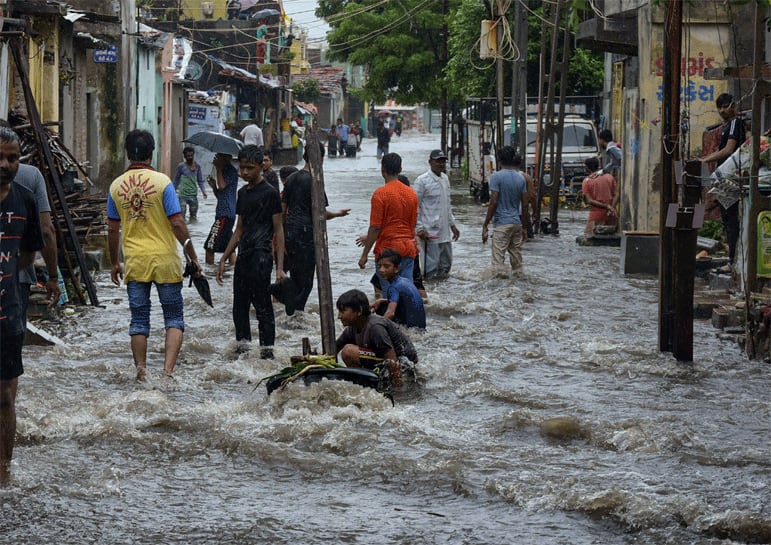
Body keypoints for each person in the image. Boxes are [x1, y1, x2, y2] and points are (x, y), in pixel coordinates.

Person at [107, 129, 202, 382]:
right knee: (174, 318)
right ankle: (167, 374)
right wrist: (193, 256)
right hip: (166, 261)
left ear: (128, 154)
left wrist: (114, 262)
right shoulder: (163, 183)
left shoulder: (116, 186)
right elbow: (178, 224)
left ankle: (141, 372)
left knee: (138, 321)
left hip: (135, 262)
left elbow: (112, 229)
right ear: (152, 153)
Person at [0, 127, 44, 484]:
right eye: (0, 157)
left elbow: (28, 254)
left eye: (12, 158)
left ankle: (3, 471)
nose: (5, 164)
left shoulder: (26, 200)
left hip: (8, 315)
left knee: (4, 395)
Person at [215, 145, 285, 359]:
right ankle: (243, 351)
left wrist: (280, 268)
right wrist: (224, 258)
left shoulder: (271, 194)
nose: (244, 172)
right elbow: (239, 229)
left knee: (263, 307)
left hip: (262, 256)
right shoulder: (242, 193)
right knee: (239, 307)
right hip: (244, 256)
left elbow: (279, 230)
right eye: (242, 168)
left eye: (250, 168)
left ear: (261, 167)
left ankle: (267, 354)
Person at [280, 143, 350, 315]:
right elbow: (320, 214)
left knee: (296, 276)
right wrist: (337, 214)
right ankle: (296, 313)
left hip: (289, 232)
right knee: (307, 282)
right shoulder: (315, 181)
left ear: (304, 156)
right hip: (306, 234)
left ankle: (291, 309)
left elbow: (282, 211)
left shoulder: (291, 179)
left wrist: (283, 234)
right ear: (321, 159)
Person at [358, 152, 418, 295]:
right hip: (408, 249)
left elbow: (375, 227)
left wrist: (364, 254)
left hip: (387, 252)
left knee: (390, 295)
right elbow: (412, 226)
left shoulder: (380, 194)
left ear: (382, 169)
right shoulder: (412, 194)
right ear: (400, 169)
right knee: (407, 294)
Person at [701, 93, 746, 273]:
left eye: (725, 106)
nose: (721, 111)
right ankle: (731, 259)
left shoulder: (736, 123)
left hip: (732, 179)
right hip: (725, 179)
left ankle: (733, 262)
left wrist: (705, 160)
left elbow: (728, 150)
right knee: (727, 220)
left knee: (732, 220)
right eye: (719, 107)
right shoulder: (726, 126)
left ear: (733, 106)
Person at [335, 289, 418, 370]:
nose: (339, 316)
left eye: (342, 311)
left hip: (402, 363)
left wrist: (398, 383)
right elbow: (334, 349)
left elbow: (392, 361)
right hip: (382, 358)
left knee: (349, 351)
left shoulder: (375, 327)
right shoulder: (351, 329)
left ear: (359, 311)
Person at [481, 146, 531, 275]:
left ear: (499, 159)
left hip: (502, 224)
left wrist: (486, 224)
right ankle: (519, 285)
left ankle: (499, 291)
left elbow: (494, 202)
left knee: (498, 263)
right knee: (517, 263)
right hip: (516, 223)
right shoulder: (521, 178)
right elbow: (525, 205)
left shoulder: (496, 177)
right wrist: (524, 227)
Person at [413, 149, 460, 279]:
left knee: (446, 266)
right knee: (431, 268)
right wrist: (419, 228)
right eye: (438, 161)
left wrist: (453, 225)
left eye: (443, 161)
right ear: (430, 162)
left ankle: (443, 291)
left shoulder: (445, 179)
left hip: (445, 231)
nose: (441, 164)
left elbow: (447, 204)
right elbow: (415, 206)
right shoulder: (422, 181)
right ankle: (432, 292)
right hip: (429, 232)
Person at [371, 249, 426, 329]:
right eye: (379, 266)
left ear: (397, 269)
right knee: (382, 304)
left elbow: (390, 314)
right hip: (420, 328)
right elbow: (405, 300)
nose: (381, 270)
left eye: (386, 266)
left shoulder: (394, 287)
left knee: (380, 311)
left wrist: (375, 328)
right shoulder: (405, 281)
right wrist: (381, 300)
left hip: (410, 330)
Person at [204, 152, 238, 265]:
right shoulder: (226, 171)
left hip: (225, 214)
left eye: (218, 157)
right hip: (226, 213)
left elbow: (222, 186)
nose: (215, 159)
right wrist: (214, 186)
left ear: (225, 158)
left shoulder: (229, 170)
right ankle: (233, 272)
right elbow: (221, 195)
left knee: (209, 247)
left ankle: (210, 274)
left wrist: (218, 169)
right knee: (230, 248)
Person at [581, 156, 618, 237]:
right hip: (611, 215)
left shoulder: (587, 181)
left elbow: (589, 200)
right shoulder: (609, 177)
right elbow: (616, 194)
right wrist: (611, 207)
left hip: (596, 215)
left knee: (589, 237)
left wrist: (607, 206)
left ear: (587, 168)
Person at [172, 146, 208, 221]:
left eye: (192, 155)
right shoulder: (181, 166)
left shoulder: (197, 167)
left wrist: (204, 191)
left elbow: (200, 181)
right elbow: (176, 180)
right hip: (182, 196)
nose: (190, 157)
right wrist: (172, 191)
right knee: (181, 217)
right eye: (188, 156)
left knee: (193, 218)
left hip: (193, 196)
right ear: (184, 156)